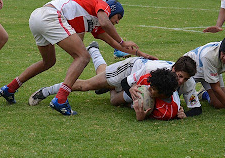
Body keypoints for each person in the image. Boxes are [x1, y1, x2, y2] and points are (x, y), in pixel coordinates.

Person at [0, 0, 152, 115]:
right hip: (51, 15)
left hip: (37, 17)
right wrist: (122, 40)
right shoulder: (102, 5)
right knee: (83, 57)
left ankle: (10, 88)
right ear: (111, 9)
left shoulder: (96, 22)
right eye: (118, 17)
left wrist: (140, 54)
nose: (117, 22)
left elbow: (114, 44)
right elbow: (107, 24)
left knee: (48, 62)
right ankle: (60, 99)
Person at [28, 42, 201, 119]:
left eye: (184, 79)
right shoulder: (152, 70)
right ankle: (47, 91)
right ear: (172, 69)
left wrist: (184, 113)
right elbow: (127, 81)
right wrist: (131, 89)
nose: (180, 81)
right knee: (89, 85)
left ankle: (94, 51)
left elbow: (196, 109)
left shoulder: (188, 83)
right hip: (131, 69)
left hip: (139, 83)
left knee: (113, 99)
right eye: (179, 76)